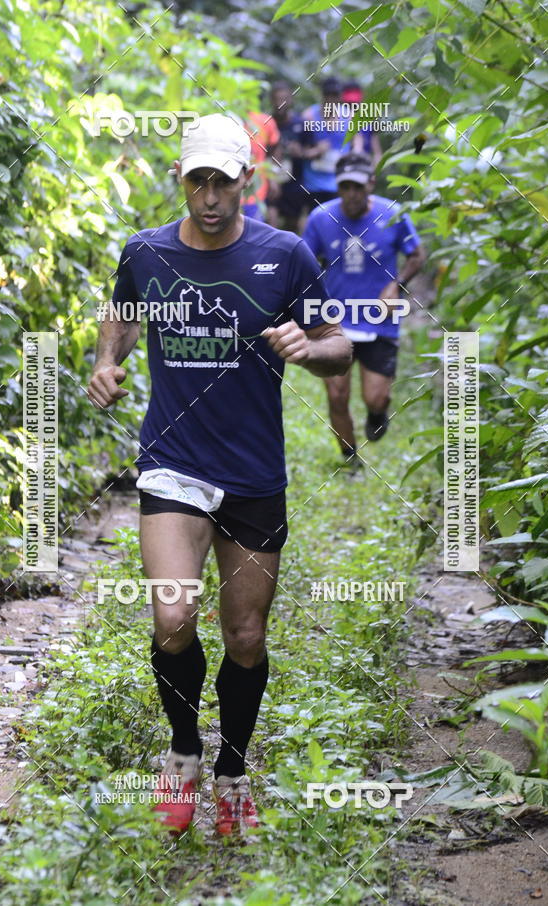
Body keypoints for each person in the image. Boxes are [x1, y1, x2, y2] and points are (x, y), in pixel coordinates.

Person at [87, 113, 351, 837]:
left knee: (244, 637)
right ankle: (182, 754)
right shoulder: (144, 252)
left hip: (253, 470)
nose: (208, 196)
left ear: (246, 181)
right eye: (196, 180)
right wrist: (107, 360)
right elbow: (121, 314)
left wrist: (309, 344)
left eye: (221, 182)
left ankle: (232, 769)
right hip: (174, 463)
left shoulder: (286, 255)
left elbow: (341, 349)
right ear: (183, 181)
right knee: (173, 617)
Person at [302, 151, 426, 471]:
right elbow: (303, 264)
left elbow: (417, 255)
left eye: (358, 187)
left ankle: (376, 413)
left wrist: (396, 285)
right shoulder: (321, 219)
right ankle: (350, 458)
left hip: (379, 319)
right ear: (338, 187)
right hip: (335, 320)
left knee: (376, 397)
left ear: (371, 184)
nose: (352, 194)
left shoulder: (393, 214)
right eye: (345, 187)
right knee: (337, 395)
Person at [299, 77, 349, 211]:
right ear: (323, 95)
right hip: (313, 183)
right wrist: (316, 151)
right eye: (328, 95)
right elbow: (298, 151)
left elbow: (358, 146)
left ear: (340, 96)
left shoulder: (349, 116)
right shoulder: (309, 116)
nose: (331, 99)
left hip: (339, 181)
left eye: (335, 95)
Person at [266, 81, 307, 233]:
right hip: (271, 180)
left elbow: (312, 150)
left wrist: (301, 152)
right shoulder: (266, 123)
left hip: (294, 182)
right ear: (271, 100)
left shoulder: (301, 123)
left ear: (290, 100)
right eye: (277, 99)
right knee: (271, 220)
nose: (280, 103)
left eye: (284, 99)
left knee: (294, 223)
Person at [241, 110, 280, 222]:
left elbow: (274, 149)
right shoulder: (228, 117)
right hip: (230, 192)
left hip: (256, 190)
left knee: (253, 230)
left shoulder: (265, 120)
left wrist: (272, 178)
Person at [342, 82, 382, 169]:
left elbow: (377, 152)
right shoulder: (338, 118)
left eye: (354, 104)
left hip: (364, 166)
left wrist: (374, 171)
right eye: (349, 104)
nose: (352, 106)